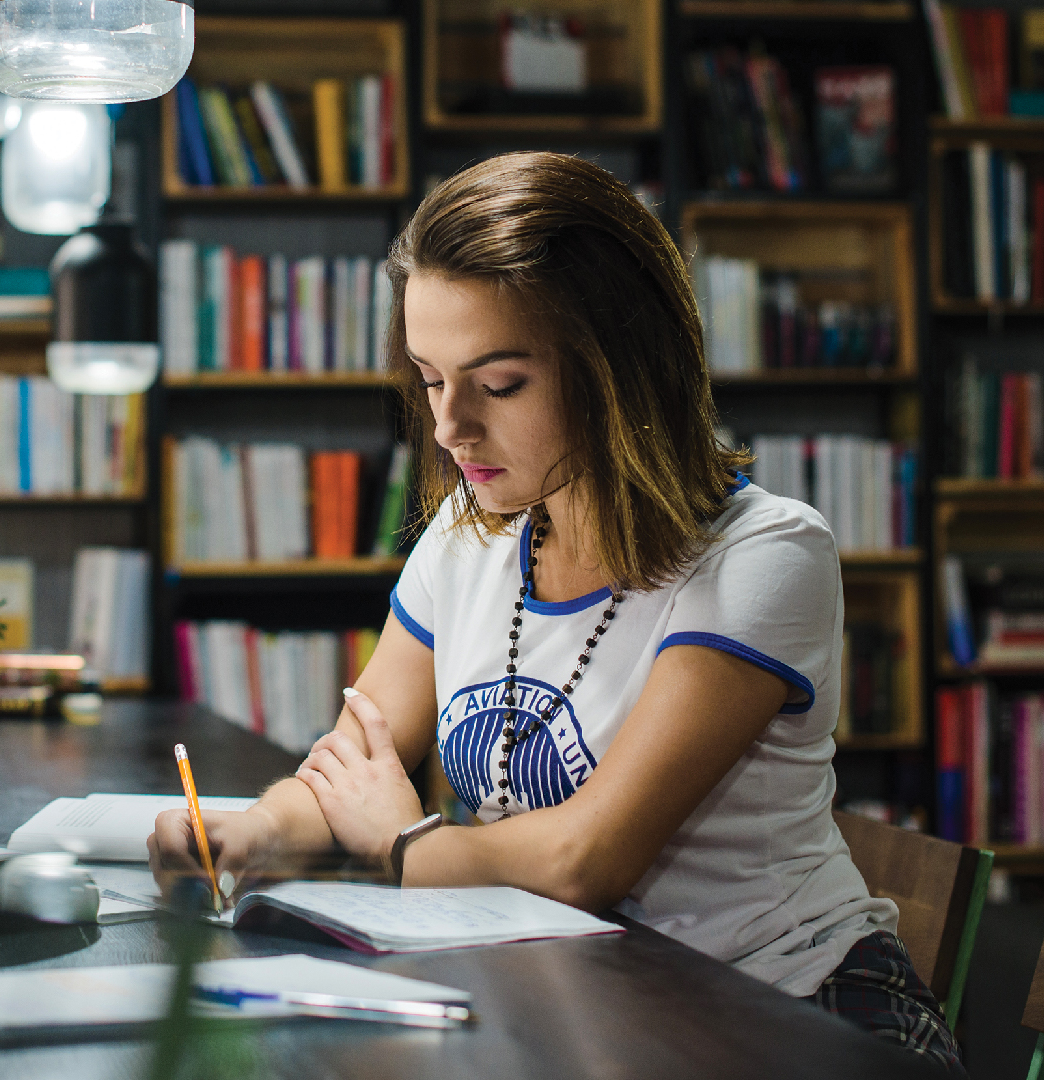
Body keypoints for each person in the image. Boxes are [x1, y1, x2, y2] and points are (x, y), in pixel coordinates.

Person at [150, 152, 964, 1073]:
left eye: (498, 386)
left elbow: (585, 859)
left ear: (619, 369)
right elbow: (350, 767)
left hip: (789, 1014)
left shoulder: (765, 555)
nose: (452, 425)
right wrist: (247, 834)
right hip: (586, 1006)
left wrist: (402, 845)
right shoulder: (469, 533)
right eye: (428, 378)